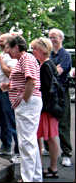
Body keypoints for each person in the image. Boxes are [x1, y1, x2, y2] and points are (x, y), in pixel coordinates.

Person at [0, 35, 43, 182]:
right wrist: (10, 86)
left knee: (26, 143)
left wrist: (24, 99)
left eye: (9, 48)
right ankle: (35, 177)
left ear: (16, 47)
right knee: (30, 141)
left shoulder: (26, 58)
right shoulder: (23, 60)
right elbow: (24, 81)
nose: (8, 52)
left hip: (28, 104)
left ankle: (27, 178)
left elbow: (31, 80)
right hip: (27, 102)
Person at [30, 38, 60, 178]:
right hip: (48, 109)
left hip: (46, 110)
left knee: (48, 138)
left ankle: (50, 167)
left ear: (42, 50)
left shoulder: (46, 66)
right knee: (47, 138)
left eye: (34, 48)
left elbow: (47, 90)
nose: (33, 51)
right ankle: (44, 166)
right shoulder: (47, 64)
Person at [46, 28, 72, 167]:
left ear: (61, 38)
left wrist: (49, 68)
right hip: (49, 93)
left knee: (63, 123)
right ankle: (48, 147)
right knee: (47, 120)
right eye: (50, 37)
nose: (52, 39)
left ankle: (66, 153)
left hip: (61, 93)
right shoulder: (49, 54)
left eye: (54, 37)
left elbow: (56, 72)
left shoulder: (65, 55)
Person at [0, 33, 20, 163]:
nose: (0, 41)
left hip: (7, 92)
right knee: (2, 120)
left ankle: (18, 151)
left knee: (11, 121)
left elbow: (11, 73)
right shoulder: (3, 55)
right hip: (0, 92)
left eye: (2, 40)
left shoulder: (11, 57)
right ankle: (6, 146)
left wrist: (1, 61)